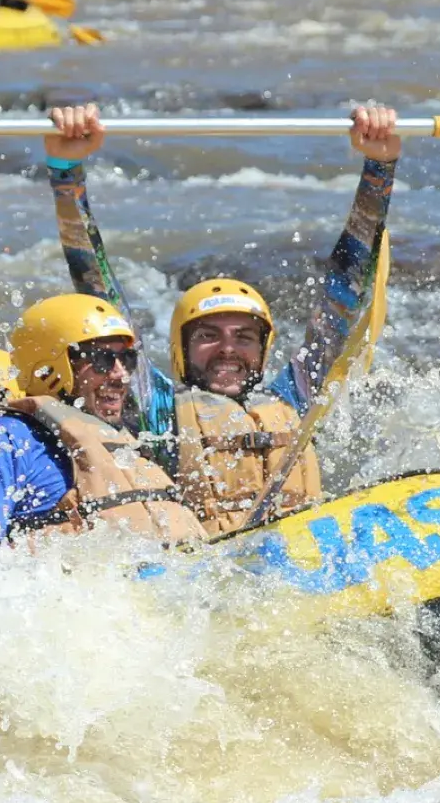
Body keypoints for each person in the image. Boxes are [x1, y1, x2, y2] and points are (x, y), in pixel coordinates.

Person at [38, 102, 401, 534]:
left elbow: (346, 289)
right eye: (209, 335)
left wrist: (379, 168)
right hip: (207, 574)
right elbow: (99, 291)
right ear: (181, 348)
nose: (228, 349)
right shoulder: (158, 411)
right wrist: (67, 171)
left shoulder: (296, 399)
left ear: (263, 348)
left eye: (244, 337)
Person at [0, 294, 206, 552]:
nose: (120, 375)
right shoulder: (4, 438)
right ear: (49, 368)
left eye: (125, 360)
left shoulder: (128, 444)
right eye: (102, 361)